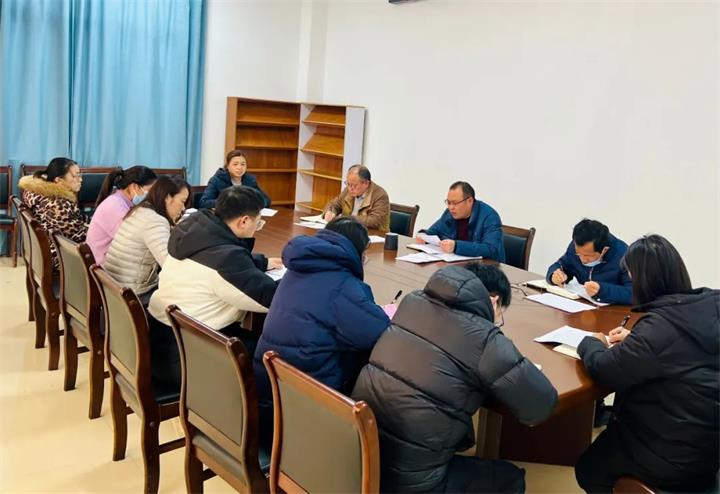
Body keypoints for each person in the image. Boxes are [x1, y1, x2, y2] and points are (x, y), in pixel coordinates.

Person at [353, 263, 558, 493]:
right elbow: (540, 406)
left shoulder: (412, 303)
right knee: (510, 478)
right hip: (412, 484)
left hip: (362, 461)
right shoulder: (485, 339)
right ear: (493, 301)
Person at [575, 235, 719, 493]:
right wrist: (636, 339)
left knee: (588, 469)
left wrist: (592, 342)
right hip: (707, 451)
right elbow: (679, 350)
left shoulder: (658, 329)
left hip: (669, 458)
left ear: (644, 281)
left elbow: (605, 369)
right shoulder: (708, 306)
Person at [253, 217, 391, 444]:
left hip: (267, 400)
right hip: (306, 416)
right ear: (357, 251)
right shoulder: (343, 284)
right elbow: (379, 333)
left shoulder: (297, 268)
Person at [146, 186, 282, 395]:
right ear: (243, 221)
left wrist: (260, 263)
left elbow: (214, 258)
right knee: (275, 360)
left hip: (161, 340)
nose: (258, 227)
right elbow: (271, 300)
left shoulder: (193, 228)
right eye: (258, 222)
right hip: (186, 358)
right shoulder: (227, 259)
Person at [103, 176, 190, 303]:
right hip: (134, 295)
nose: (183, 209)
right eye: (183, 201)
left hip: (114, 288)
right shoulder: (155, 221)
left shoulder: (140, 210)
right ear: (167, 198)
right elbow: (170, 265)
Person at [18, 157, 88, 269]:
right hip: (59, 256)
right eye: (75, 176)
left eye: (80, 175)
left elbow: (77, 221)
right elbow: (77, 233)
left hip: (47, 249)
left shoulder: (41, 195)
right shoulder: (57, 204)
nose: (80, 180)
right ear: (58, 180)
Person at [546, 219, 632, 305]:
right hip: (582, 305)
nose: (582, 259)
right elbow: (561, 265)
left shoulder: (624, 255)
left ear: (604, 250)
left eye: (587, 256)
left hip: (613, 310)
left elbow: (633, 293)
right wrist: (554, 275)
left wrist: (602, 290)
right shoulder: (577, 246)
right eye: (578, 254)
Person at [86, 166, 157, 265]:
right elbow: (133, 242)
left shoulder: (121, 202)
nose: (150, 196)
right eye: (149, 191)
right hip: (103, 268)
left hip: (108, 263)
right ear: (134, 186)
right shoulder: (115, 206)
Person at [418, 181, 505, 262]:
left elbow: (491, 249)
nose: (451, 207)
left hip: (486, 268)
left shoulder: (490, 217)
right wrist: (424, 236)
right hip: (457, 264)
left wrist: (456, 246)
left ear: (470, 201)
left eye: (455, 203)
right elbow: (435, 231)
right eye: (448, 202)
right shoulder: (450, 213)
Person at [323, 165, 390, 233]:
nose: (350, 188)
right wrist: (329, 212)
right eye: (348, 184)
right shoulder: (348, 190)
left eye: (354, 185)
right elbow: (334, 204)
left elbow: (375, 221)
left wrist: (348, 219)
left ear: (366, 183)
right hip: (349, 231)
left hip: (372, 234)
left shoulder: (380, 195)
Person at [199, 150, 271, 208]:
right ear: (228, 166)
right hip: (224, 217)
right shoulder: (216, 180)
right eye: (235, 164)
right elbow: (204, 202)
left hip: (245, 215)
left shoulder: (250, 180)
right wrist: (229, 202)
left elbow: (266, 201)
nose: (239, 168)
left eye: (243, 164)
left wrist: (251, 202)